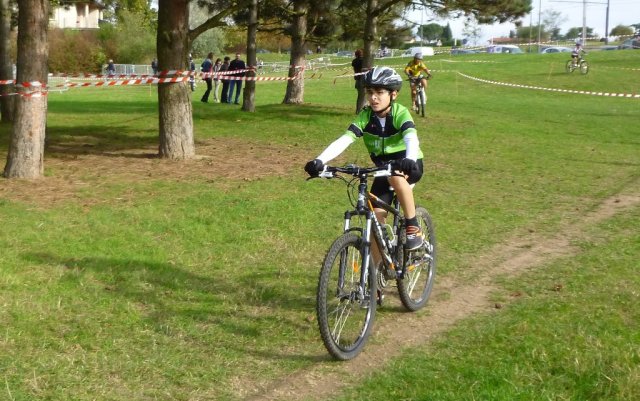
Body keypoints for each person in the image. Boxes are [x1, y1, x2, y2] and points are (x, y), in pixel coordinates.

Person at [304, 66, 425, 254]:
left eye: (379, 92)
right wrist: (319, 160)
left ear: (393, 95)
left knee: (396, 178)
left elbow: (411, 138)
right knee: (376, 218)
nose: (373, 97)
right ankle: (375, 277)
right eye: (370, 92)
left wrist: (409, 159)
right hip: (383, 169)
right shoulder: (366, 116)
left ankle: (413, 226)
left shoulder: (400, 113)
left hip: (409, 164)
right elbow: (345, 139)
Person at [351, 49, 365, 114]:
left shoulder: (354, 61)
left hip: (357, 79)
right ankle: (360, 111)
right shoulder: (363, 61)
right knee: (362, 96)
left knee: (360, 96)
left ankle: (358, 110)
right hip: (362, 80)